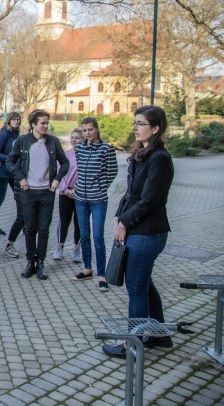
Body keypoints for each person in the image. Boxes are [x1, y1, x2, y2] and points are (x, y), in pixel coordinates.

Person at [103, 106, 174, 359]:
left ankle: (133, 345)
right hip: (137, 229)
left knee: (136, 289)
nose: (135, 127)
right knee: (144, 284)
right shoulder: (140, 155)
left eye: (141, 123)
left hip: (148, 232)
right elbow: (130, 193)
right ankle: (158, 334)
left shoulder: (159, 159)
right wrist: (118, 216)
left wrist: (125, 221)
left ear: (155, 128)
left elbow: (149, 200)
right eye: (134, 122)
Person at [6, 110, 68, 281]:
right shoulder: (22, 141)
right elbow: (10, 161)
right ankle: (30, 262)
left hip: (47, 193)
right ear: (33, 124)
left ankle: (40, 263)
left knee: (44, 229)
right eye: (42, 123)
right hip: (28, 193)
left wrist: (57, 179)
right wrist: (20, 178)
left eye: (47, 123)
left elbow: (65, 163)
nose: (46, 126)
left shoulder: (53, 142)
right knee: (30, 228)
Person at [73, 117, 119, 292]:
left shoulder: (106, 149)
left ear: (96, 129)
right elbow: (79, 170)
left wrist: (100, 187)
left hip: (98, 199)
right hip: (80, 199)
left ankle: (102, 274)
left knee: (98, 237)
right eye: (84, 130)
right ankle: (87, 269)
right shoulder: (80, 149)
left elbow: (112, 171)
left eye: (90, 130)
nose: (87, 133)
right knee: (84, 235)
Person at [0, 112, 21, 236]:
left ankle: (23, 223)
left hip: (14, 172)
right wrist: (9, 157)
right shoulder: (4, 134)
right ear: (9, 121)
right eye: (14, 119)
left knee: (20, 197)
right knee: (0, 199)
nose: (16, 121)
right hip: (3, 173)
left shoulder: (17, 134)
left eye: (18, 119)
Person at [54, 128, 82, 263]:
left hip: (80, 194)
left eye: (77, 138)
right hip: (65, 193)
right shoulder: (65, 155)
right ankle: (60, 248)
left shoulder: (86, 155)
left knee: (79, 222)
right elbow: (60, 174)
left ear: (83, 140)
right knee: (63, 221)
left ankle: (77, 249)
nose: (74, 140)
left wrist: (78, 190)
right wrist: (65, 190)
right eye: (73, 138)